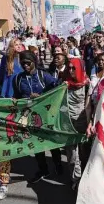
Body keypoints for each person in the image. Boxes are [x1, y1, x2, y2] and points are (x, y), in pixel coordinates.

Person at [12, 50, 62, 183]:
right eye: (23, 64)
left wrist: (42, 96)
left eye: (28, 63)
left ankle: (58, 165)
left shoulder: (43, 75)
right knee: (36, 144)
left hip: (46, 115)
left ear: (34, 62)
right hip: (29, 117)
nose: (25, 66)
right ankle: (43, 169)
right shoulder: (18, 79)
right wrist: (16, 101)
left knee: (51, 142)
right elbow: (16, 96)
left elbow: (57, 87)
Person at [64, 58, 88, 190]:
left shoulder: (87, 84)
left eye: (74, 68)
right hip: (68, 124)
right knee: (72, 155)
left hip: (83, 124)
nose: (71, 70)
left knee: (85, 153)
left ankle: (87, 179)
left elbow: (90, 104)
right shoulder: (64, 84)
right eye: (69, 68)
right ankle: (76, 180)